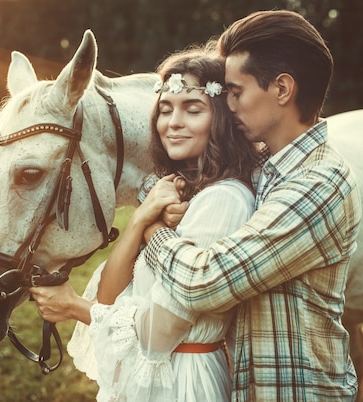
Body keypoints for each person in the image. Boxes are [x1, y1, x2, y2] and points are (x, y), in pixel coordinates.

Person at [139, 10, 363, 401]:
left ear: (281, 89)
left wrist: (153, 230)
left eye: (236, 92)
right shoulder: (264, 168)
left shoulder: (318, 185)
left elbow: (206, 282)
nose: (228, 105)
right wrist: (176, 202)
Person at [30, 46, 263, 401]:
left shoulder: (223, 201)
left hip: (185, 382)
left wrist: (75, 307)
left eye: (193, 109)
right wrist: (141, 218)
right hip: (153, 381)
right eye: (165, 110)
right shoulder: (175, 194)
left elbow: (160, 334)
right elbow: (109, 296)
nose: (173, 123)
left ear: (220, 119)